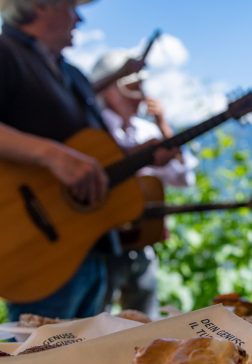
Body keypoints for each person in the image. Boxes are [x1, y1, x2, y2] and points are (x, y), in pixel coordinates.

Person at [0, 0, 174, 320]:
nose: (78, 18)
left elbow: (90, 151)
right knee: (37, 361)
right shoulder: (6, 53)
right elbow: (61, 154)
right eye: (70, 7)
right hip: (36, 249)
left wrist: (138, 156)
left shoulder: (72, 75)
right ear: (40, 6)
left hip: (89, 247)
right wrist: (50, 155)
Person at [90, 49, 197, 316]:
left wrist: (164, 125)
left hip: (142, 242)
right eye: (132, 86)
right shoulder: (94, 130)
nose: (139, 93)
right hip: (100, 244)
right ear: (110, 89)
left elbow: (184, 178)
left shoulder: (149, 130)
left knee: (144, 321)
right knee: (93, 320)